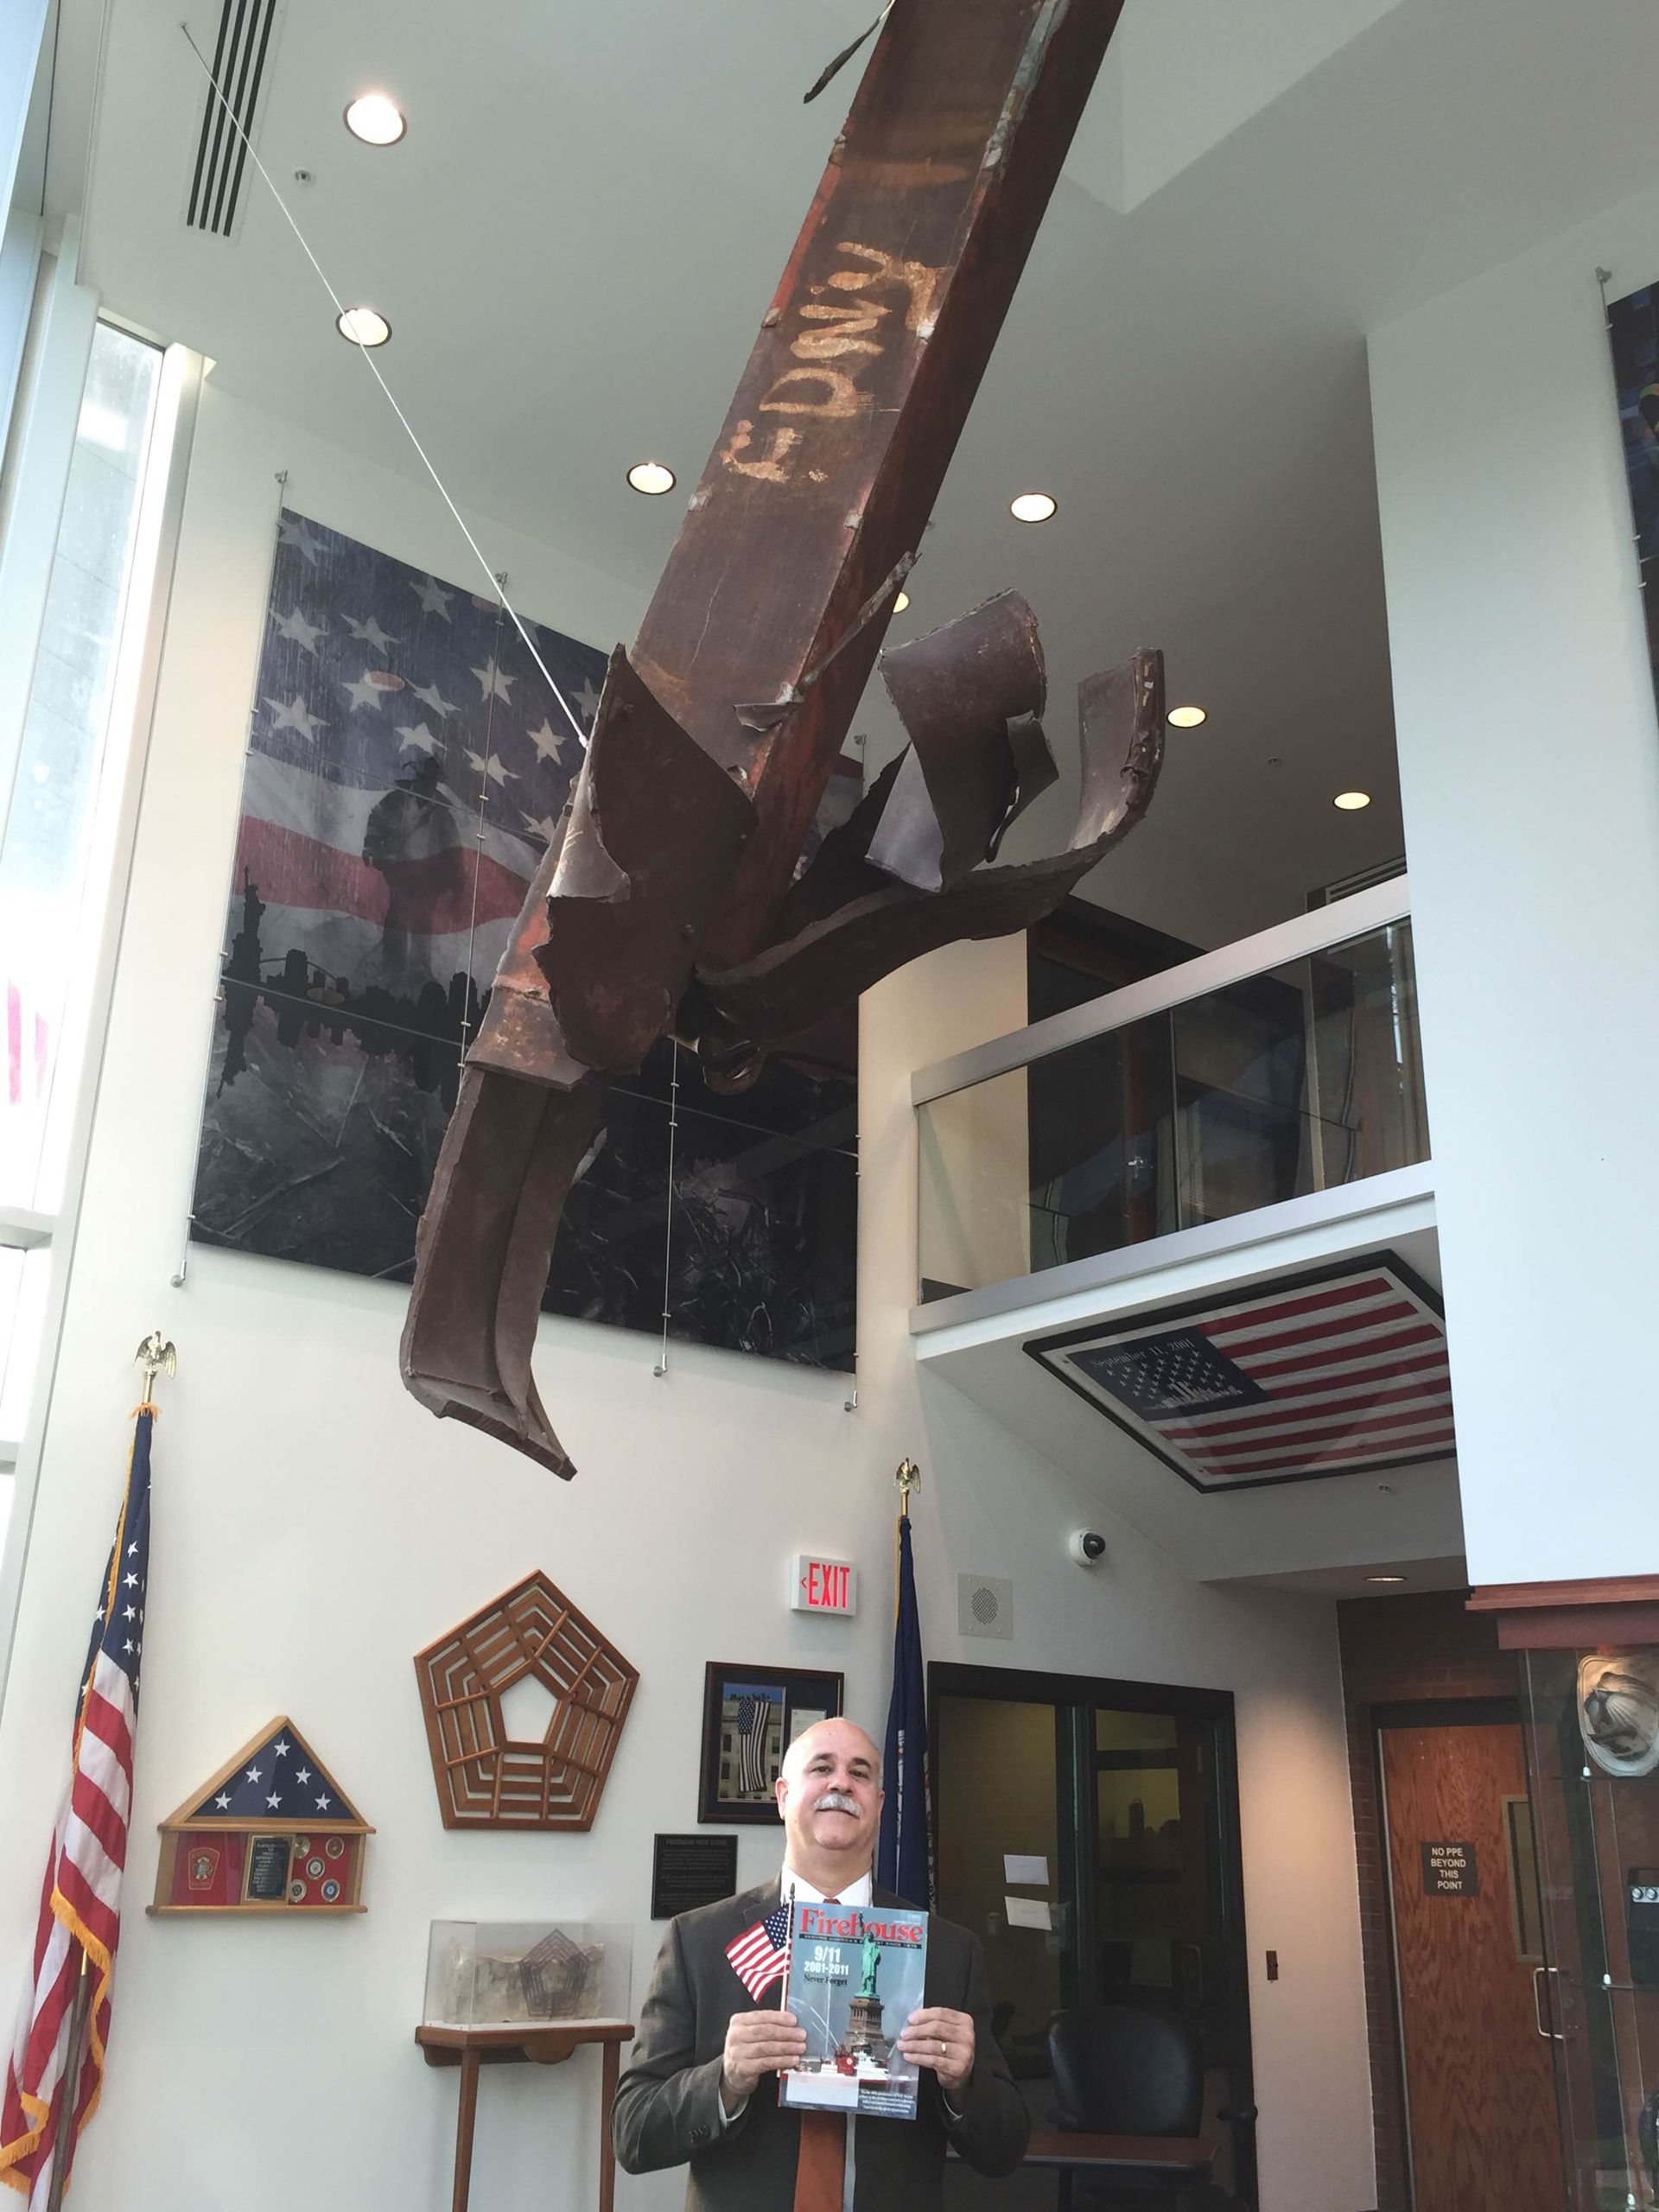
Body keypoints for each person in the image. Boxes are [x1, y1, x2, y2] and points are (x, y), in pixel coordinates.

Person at [613, 1717, 1027, 2209]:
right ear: (783, 1796)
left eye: (860, 1772)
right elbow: (633, 2133)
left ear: (878, 1805)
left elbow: (1005, 2150)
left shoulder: (949, 1952)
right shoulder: (698, 1941)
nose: (840, 1783)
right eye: (822, 1767)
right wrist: (725, 2080)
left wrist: (964, 2084)